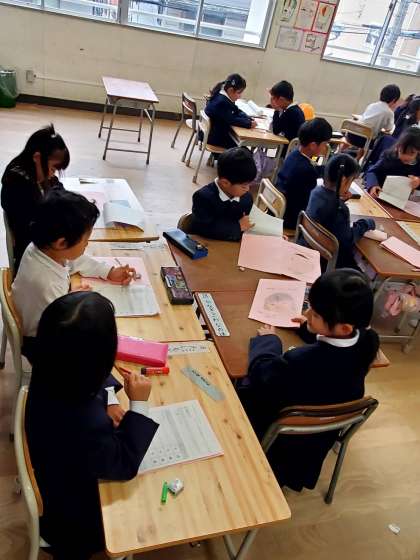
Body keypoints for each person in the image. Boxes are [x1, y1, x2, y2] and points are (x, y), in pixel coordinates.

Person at [25, 291, 159, 559]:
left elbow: (83, 366)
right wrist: (139, 403)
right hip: (77, 523)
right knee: (151, 499)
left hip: (57, 470)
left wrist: (110, 398)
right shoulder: (87, 422)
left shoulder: (49, 366)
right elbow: (123, 464)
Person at [238, 269, 379, 491]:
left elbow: (263, 373)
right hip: (322, 432)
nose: (307, 312)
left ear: (343, 327)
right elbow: (338, 352)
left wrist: (270, 341)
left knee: (239, 385)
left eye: (316, 314)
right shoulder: (369, 340)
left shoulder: (300, 361)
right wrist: (311, 326)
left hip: (285, 439)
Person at [12, 189, 136, 363]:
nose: (87, 244)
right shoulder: (45, 283)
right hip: (44, 345)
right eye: (85, 240)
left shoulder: (43, 248)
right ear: (61, 243)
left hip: (46, 320)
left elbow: (75, 260)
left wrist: (109, 272)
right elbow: (60, 331)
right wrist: (71, 303)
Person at [1, 124, 69, 269]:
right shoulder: (17, 185)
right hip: (32, 257)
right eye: (53, 168)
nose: (53, 174)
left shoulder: (36, 171)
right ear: (37, 157)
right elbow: (35, 230)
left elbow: (57, 188)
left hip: (44, 249)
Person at [304, 154, 375, 269]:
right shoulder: (339, 209)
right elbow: (348, 240)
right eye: (351, 180)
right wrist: (366, 224)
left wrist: (339, 200)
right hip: (327, 262)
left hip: (310, 248)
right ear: (343, 180)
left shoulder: (316, 191)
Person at [276, 117, 333, 230]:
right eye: (324, 144)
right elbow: (310, 205)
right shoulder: (307, 171)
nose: (326, 148)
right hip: (292, 220)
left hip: (280, 210)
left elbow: (312, 169)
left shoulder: (294, 154)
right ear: (313, 145)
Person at [189, 146, 256, 240]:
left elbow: (248, 223)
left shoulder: (246, 198)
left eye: (249, 184)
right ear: (225, 183)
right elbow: (203, 228)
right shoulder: (203, 197)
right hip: (207, 244)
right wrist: (238, 227)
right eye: (244, 186)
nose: (247, 189)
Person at [345, 84, 401, 155]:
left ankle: (357, 157)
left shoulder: (372, 105)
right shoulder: (389, 112)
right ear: (394, 100)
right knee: (378, 140)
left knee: (367, 134)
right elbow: (388, 129)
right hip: (366, 141)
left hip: (351, 135)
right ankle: (363, 159)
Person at [364, 126, 420, 197]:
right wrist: (373, 186)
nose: (406, 157)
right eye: (402, 151)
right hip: (380, 193)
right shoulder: (389, 156)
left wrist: (418, 181)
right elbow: (372, 172)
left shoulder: (418, 163)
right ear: (398, 147)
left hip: (401, 199)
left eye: (412, 152)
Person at [205, 73, 256, 149]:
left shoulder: (221, 95)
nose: (240, 96)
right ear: (230, 90)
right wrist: (249, 123)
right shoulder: (222, 102)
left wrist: (247, 117)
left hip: (213, 133)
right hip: (215, 138)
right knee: (243, 151)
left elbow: (236, 110)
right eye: (239, 93)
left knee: (242, 147)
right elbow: (232, 120)